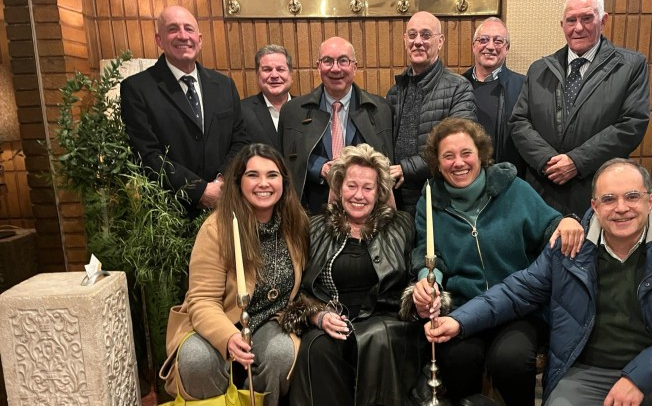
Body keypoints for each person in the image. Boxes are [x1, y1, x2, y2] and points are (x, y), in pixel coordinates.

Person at [427, 158, 652, 406]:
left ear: (650, 199)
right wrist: (460, 320)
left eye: (632, 196)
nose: (621, 208)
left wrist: (637, 377)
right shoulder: (569, 248)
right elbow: (517, 291)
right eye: (609, 199)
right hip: (588, 371)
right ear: (595, 205)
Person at [407, 118, 584, 405]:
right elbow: (429, 256)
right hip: (463, 307)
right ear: (437, 164)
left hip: (518, 309)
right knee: (457, 359)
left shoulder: (513, 189)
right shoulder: (429, 201)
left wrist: (568, 221)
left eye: (466, 153)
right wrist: (429, 285)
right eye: (448, 156)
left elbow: (551, 227)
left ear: (481, 155)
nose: (458, 163)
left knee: (510, 360)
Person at [160, 144, 310, 405]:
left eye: (272, 175)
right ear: (238, 182)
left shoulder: (296, 224)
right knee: (196, 359)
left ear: (284, 182)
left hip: (269, 320)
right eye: (253, 175)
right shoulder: (217, 229)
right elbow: (203, 300)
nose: (263, 183)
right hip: (221, 319)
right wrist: (228, 337)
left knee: (282, 353)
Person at [287, 144, 420, 406]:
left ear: (379, 192)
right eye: (351, 186)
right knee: (316, 347)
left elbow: (414, 277)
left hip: (385, 320)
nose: (359, 195)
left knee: (376, 338)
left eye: (368, 188)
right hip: (332, 320)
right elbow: (297, 288)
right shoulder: (315, 227)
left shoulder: (401, 224)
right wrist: (317, 315)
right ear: (339, 188)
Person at [510, 0, 649, 216]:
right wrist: (547, 161)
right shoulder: (539, 69)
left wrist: (577, 161)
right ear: (562, 24)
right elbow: (519, 122)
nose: (578, 28)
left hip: (597, 191)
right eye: (571, 20)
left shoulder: (629, 66)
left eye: (587, 18)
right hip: (543, 191)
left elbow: (632, 124)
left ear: (603, 20)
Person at [121, 5, 249, 218]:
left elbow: (240, 140)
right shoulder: (137, 89)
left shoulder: (224, 85)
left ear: (199, 39)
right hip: (171, 213)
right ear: (159, 40)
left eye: (189, 29)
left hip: (224, 206)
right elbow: (146, 153)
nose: (183, 36)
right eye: (173, 29)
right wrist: (199, 191)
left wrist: (222, 181)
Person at [279, 37, 393, 214]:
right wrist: (320, 167)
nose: (335, 68)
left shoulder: (380, 110)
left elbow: (386, 160)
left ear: (354, 67)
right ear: (318, 67)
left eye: (343, 61)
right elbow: (286, 161)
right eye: (327, 61)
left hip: (367, 212)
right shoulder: (293, 111)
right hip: (312, 211)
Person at [387, 11, 476, 215]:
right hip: (397, 200)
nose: (418, 41)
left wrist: (406, 169)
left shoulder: (458, 88)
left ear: (440, 41)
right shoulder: (395, 92)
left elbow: (457, 148)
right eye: (412, 35)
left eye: (426, 35)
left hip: (439, 200)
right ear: (405, 40)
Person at [462, 17, 527, 177]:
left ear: (507, 48)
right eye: (483, 40)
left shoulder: (524, 86)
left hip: (508, 178)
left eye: (498, 41)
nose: (490, 46)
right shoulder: (457, 85)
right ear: (474, 46)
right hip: (464, 176)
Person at [242, 45, 293, 147]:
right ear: (257, 75)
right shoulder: (242, 111)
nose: (274, 75)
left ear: (291, 74)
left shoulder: (306, 109)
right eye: (267, 70)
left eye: (280, 69)